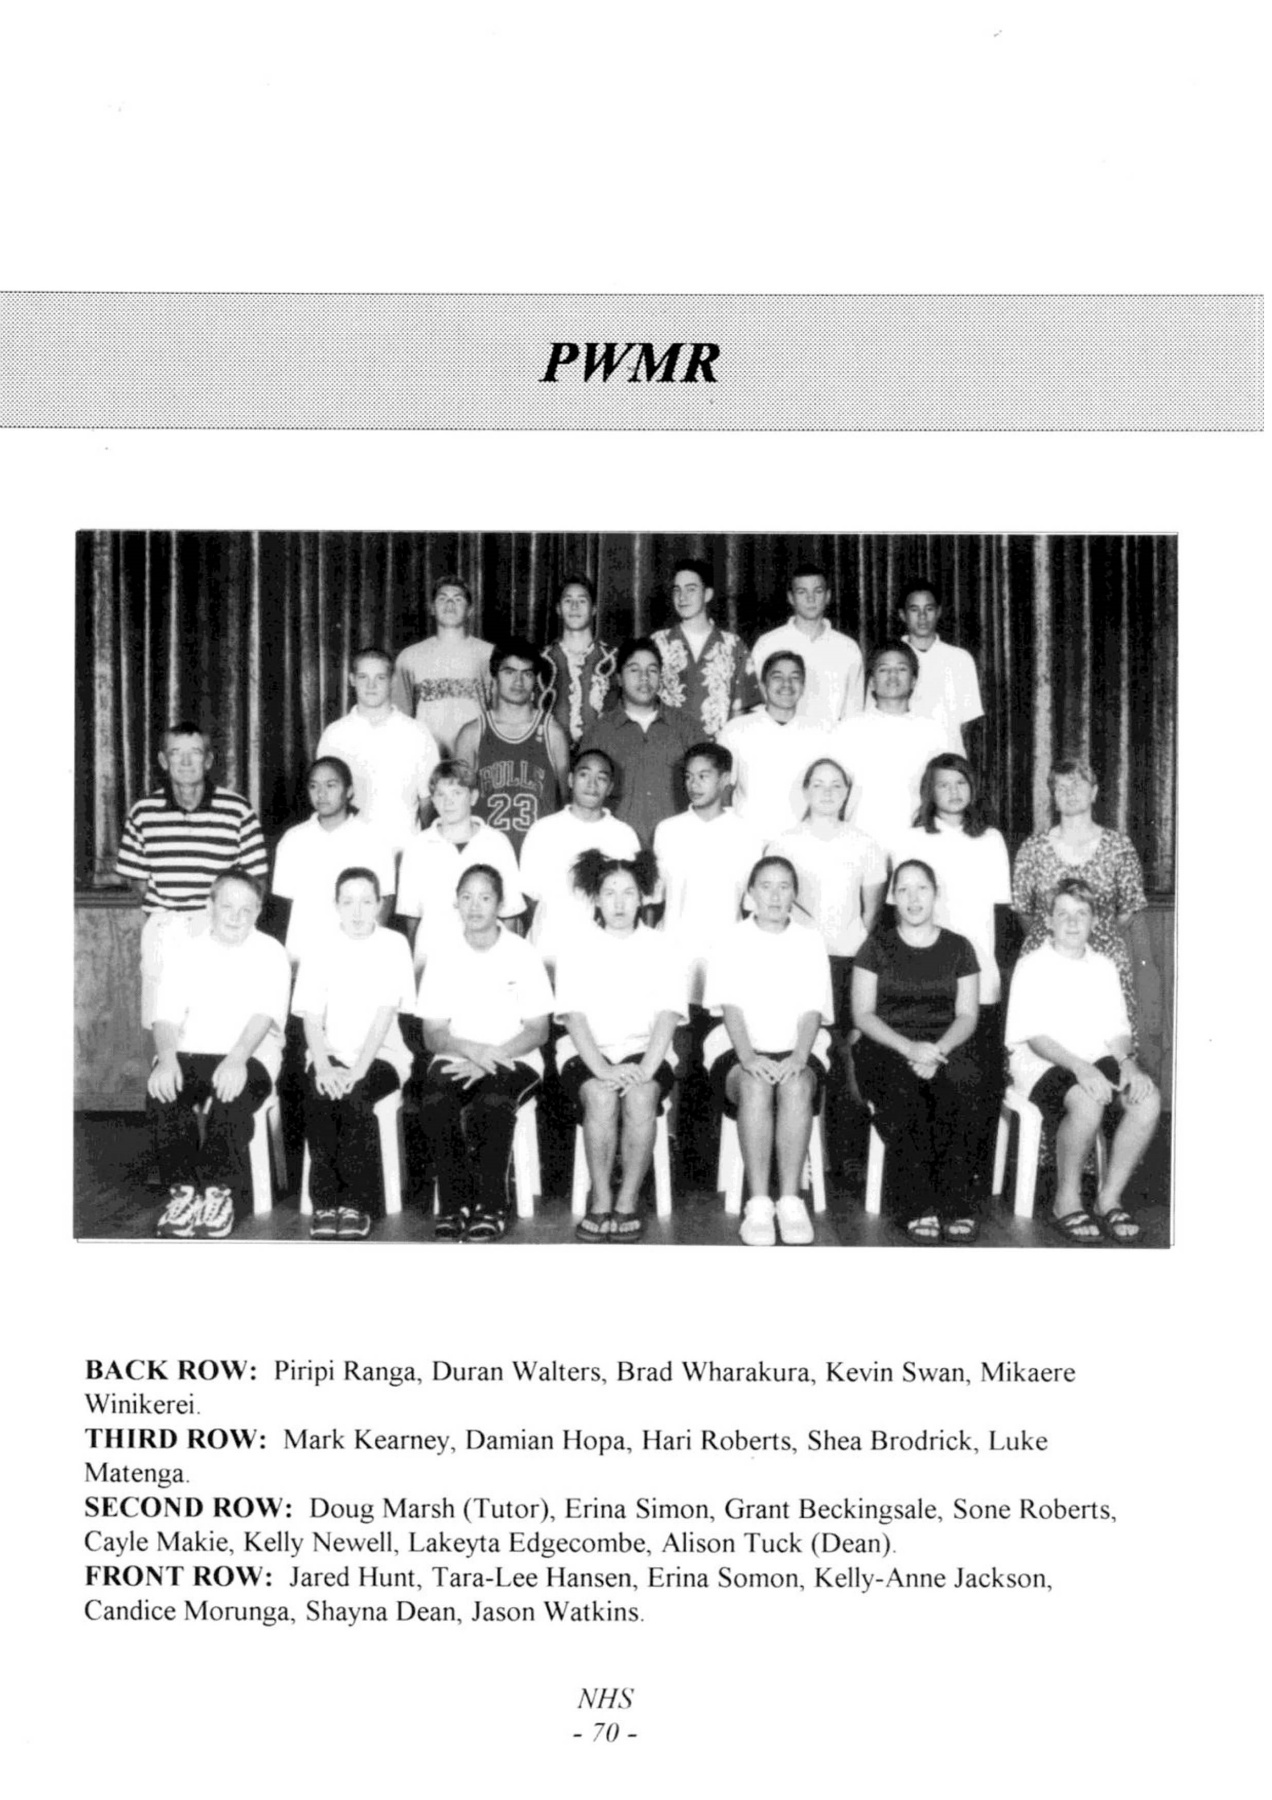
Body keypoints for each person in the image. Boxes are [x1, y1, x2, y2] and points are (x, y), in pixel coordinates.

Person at [1004, 878, 1160, 1244]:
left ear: (1094, 921)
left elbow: (1116, 1030)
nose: (1072, 922)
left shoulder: (1103, 966)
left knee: (1147, 1100)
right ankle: (1067, 1201)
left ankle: (1109, 1198)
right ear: (1048, 920)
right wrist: (1080, 1068)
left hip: (1094, 1057)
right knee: (1087, 1102)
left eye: (1081, 913)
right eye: (1063, 914)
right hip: (1041, 1061)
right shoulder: (1032, 966)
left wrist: (1128, 1064)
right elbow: (1036, 1038)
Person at [890, 752, 1012, 1198]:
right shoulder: (909, 839)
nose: (954, 792)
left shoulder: (991, 839)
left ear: (972, 788)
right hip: (925, 979)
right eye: (944, 784)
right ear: (930, 791)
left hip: (979, 978)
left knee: (974, 1080)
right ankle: (921, 1182)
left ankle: (967, 1182)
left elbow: (1000, 915)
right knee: (923, 1080)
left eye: (961, 783)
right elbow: (899, 914)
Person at [145, 868, 291, 1239]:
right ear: (210, 906)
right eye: (227, 907)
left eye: (246, 909)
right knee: (162, 1088)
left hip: (251, 1053)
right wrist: (167, 1060)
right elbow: (165, 1017)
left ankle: (217, 1192)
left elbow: (264, 1016)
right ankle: (183, 1192)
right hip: (192, 1049)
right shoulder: (186, 952)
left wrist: (237, 1059)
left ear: (258, 911)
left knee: (232, 1090)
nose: (236, 917)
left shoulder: (271, 952)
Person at [411, 865, 553, 1241]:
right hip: (457, 1055)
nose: (475, 906)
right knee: (436, 1101)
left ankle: (491, 1205)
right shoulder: (443, 955)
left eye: (485, 897)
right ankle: (455, 1204)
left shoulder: (522, 953)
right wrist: (471, 1051)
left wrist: (492, 1058)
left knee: (493, 1102)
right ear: (456, 902)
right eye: (467, 897)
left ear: (500, 904)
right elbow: (433, 1034)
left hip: (516, 1057)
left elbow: (538, 1030)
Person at [555, 849, 685, 1241]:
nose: (619, 903)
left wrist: (645, 1069)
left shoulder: (662, 946)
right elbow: (573, 1017)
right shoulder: (577, 946)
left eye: (628, 893)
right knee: (600, 1095)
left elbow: (668, 1014)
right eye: (610, 893)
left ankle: (627, 1200)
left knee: (642, 1097)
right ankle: (600, 1199)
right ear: (596, 899)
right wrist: (603, 1069)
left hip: (647, 1051)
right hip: (587, 1052)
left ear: (642, 898)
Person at [703, 857, 834, 1247]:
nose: (775, 896)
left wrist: (798, 1057)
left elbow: (812, 1009)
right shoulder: (731, 939)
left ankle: (790, 1201)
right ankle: (759, 1204)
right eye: (766, 886)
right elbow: (730, 1007)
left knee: (796, 1085)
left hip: (800, 1046)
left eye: (784, 887)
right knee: (755, 1086)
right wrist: (748, 1058)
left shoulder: (810, 941)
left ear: (795, 894)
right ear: (750, 894)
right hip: (738, 1047)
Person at [851, 859, 983, 1243]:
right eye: (903, 890)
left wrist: (937, 1051)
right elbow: (863, 1014)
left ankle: (956, 1202)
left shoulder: (959, 947)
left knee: (964, 1082)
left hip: (945, 1044)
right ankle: (918, 1203)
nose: (913, 898)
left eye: (921, 888)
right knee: (904, 1090)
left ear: (935, 893)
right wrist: (909, 1048)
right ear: (893, 897)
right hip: (887, 1045)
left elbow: (967, 1014)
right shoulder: (875, 946)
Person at [767, 757, 887, 1153]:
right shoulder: (784, 843)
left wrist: (849, 946)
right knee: (803, 1048)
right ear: (805, 791)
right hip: (798, 961)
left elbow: (871, 911)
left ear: (847, 792)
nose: (827, 792)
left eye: (837, 785)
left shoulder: (865, 843)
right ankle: (801, 1152)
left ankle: (843, 1153)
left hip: (848, 961)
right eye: (818, 784)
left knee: (847, 1051)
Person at [116, 721, 269, 1028]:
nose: (186, 761)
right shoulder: (144, 812)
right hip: (165, 926)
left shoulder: (237, 809)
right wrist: (168, 917)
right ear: (163, 760)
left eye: (195, 752)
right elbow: (138, 882)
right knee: (163, 1020)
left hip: (218, 926)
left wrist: (222, 920)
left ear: (208, 760)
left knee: (217, 1020)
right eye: (176, 753)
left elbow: (256, 881)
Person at [292, 867, 416, 1240]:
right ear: (336, 905)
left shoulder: (394, 944)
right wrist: (324, 1067)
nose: (357, 911)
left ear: (379, 904)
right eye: (348, 902)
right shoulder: (320, 946)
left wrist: (358, 1070)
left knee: (355, 1097)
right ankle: (325, 1203)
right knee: (320, 1096)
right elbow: (311, 1017)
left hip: (383, 1056)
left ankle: (356, 1203)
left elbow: (384, 1014)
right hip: (329, 1054)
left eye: (366, 901)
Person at [1011, 757, 1148, 1024]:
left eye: (1077, 785)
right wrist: (1059, 943)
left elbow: (1127, 911)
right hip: (1046, 960)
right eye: (1061, 788)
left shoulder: (1119, 846)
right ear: (1053, 797)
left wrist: (1093, 938)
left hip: (1104, 958)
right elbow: (1024, 911)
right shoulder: (1032, 848)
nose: (1069, 793)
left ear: (1094, 792)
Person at [394, 759, 523, 973]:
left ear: (473, 796)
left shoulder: (497, 843)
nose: (448, 802)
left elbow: (510, 914)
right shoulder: (417, 847)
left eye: (456, 793)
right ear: (432, 801)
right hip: (432, 958)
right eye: (440, 795)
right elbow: (412, 919)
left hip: (486, 960)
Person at [519, 748, 639, 977]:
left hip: (604, 958)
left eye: (601, 778)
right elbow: (530, 897)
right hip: (549, 951)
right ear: (571, 780)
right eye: (584, 775)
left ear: (610, 787)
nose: (592, 784)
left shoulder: (623, 835)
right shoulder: (543, 830)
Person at [269, 756, 395, 971]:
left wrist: (368, 945)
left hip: (356, 955)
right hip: (304, 953)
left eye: (331, 785)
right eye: (314, 786)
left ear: (349, 791)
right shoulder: (292, 840)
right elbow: (286, 905)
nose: (321, 794)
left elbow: (385, 899)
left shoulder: (373, 839)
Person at [315, 646, 440, 858]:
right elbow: (325, 801)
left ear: (392, 681)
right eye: (363, 677)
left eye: (380, 678)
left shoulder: (417, 733)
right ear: (352, 679)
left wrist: (423, 852)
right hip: (349, 854)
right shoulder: (333, 735)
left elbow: (428, 801)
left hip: (403, 854)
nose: (371, 686)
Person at [577, 638, 701, 848]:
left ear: (661, 676)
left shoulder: (687, 729)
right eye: (634, 670)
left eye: (652, 670)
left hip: (678, 847)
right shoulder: (599, 733)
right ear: (619, 678)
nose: (644, 677)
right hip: (616, 849)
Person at [454, 637, 570, 861]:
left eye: (527, 673)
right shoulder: (472, 734)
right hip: (486, 859)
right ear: (495, 676)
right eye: (509, 672)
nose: (518, 681)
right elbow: (459, 807)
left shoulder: (552, 733)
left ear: (535, 679)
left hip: (540, 858)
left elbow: (565, 805)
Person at [827, 641, 946, 857]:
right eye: (884, 669)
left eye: (901, 669)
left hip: (919, 845)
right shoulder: (847, 730)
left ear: (914, 681)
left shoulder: (934, 732)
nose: (893, 676)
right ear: (872, 682)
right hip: (859, 844)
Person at [716, 651, 825, 842]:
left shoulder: (821, 732)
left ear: (803, 686)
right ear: (763, 685)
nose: (786, 684)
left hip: (803, 841)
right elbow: (722, 789)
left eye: (795, 677)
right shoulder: (736, 730)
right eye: (777, 677)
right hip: (748, 839)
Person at [652, 557, 755, 737]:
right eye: (677, 590)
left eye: (691, 589)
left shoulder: (733, 646)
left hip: (718, 748)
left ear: (707, 594)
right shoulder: (658, 643)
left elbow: (744, 709)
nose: (682, 597)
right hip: (667, 746)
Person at [392, 574, 494, 756]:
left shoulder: (489, 654)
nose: (450, 604)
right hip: (427, 756)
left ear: (470, 610)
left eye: (458, 599)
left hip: (476, 754)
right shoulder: (409, 657)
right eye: (442, 599)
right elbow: (400, 716)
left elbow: (500, 713)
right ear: (432, 608)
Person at [750, 564, 864, 725]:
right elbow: (756, 704)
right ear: (791, 598)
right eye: (802, 592)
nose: (811, 599)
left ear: (828, 596)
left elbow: (854, 710)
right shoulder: (767, 644)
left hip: (831, 738)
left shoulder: (848, 648)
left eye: (818, 591)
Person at [890, 580, 984, 757]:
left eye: (929, 609)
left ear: (939, 612)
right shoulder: (889, 659)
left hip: (948, 759)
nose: (922, 616)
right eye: (914, 610)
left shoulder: (960, 659)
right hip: (902, 757)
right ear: (902, 615)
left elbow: (966, 722)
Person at [542, 574, 618, 745]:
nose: (574, 607)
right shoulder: (542, 661)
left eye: (582, 601)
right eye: (568, 600)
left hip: (603, 754)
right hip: (550, 754)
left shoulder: (614, 659)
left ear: (594, 609)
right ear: (558, 609)